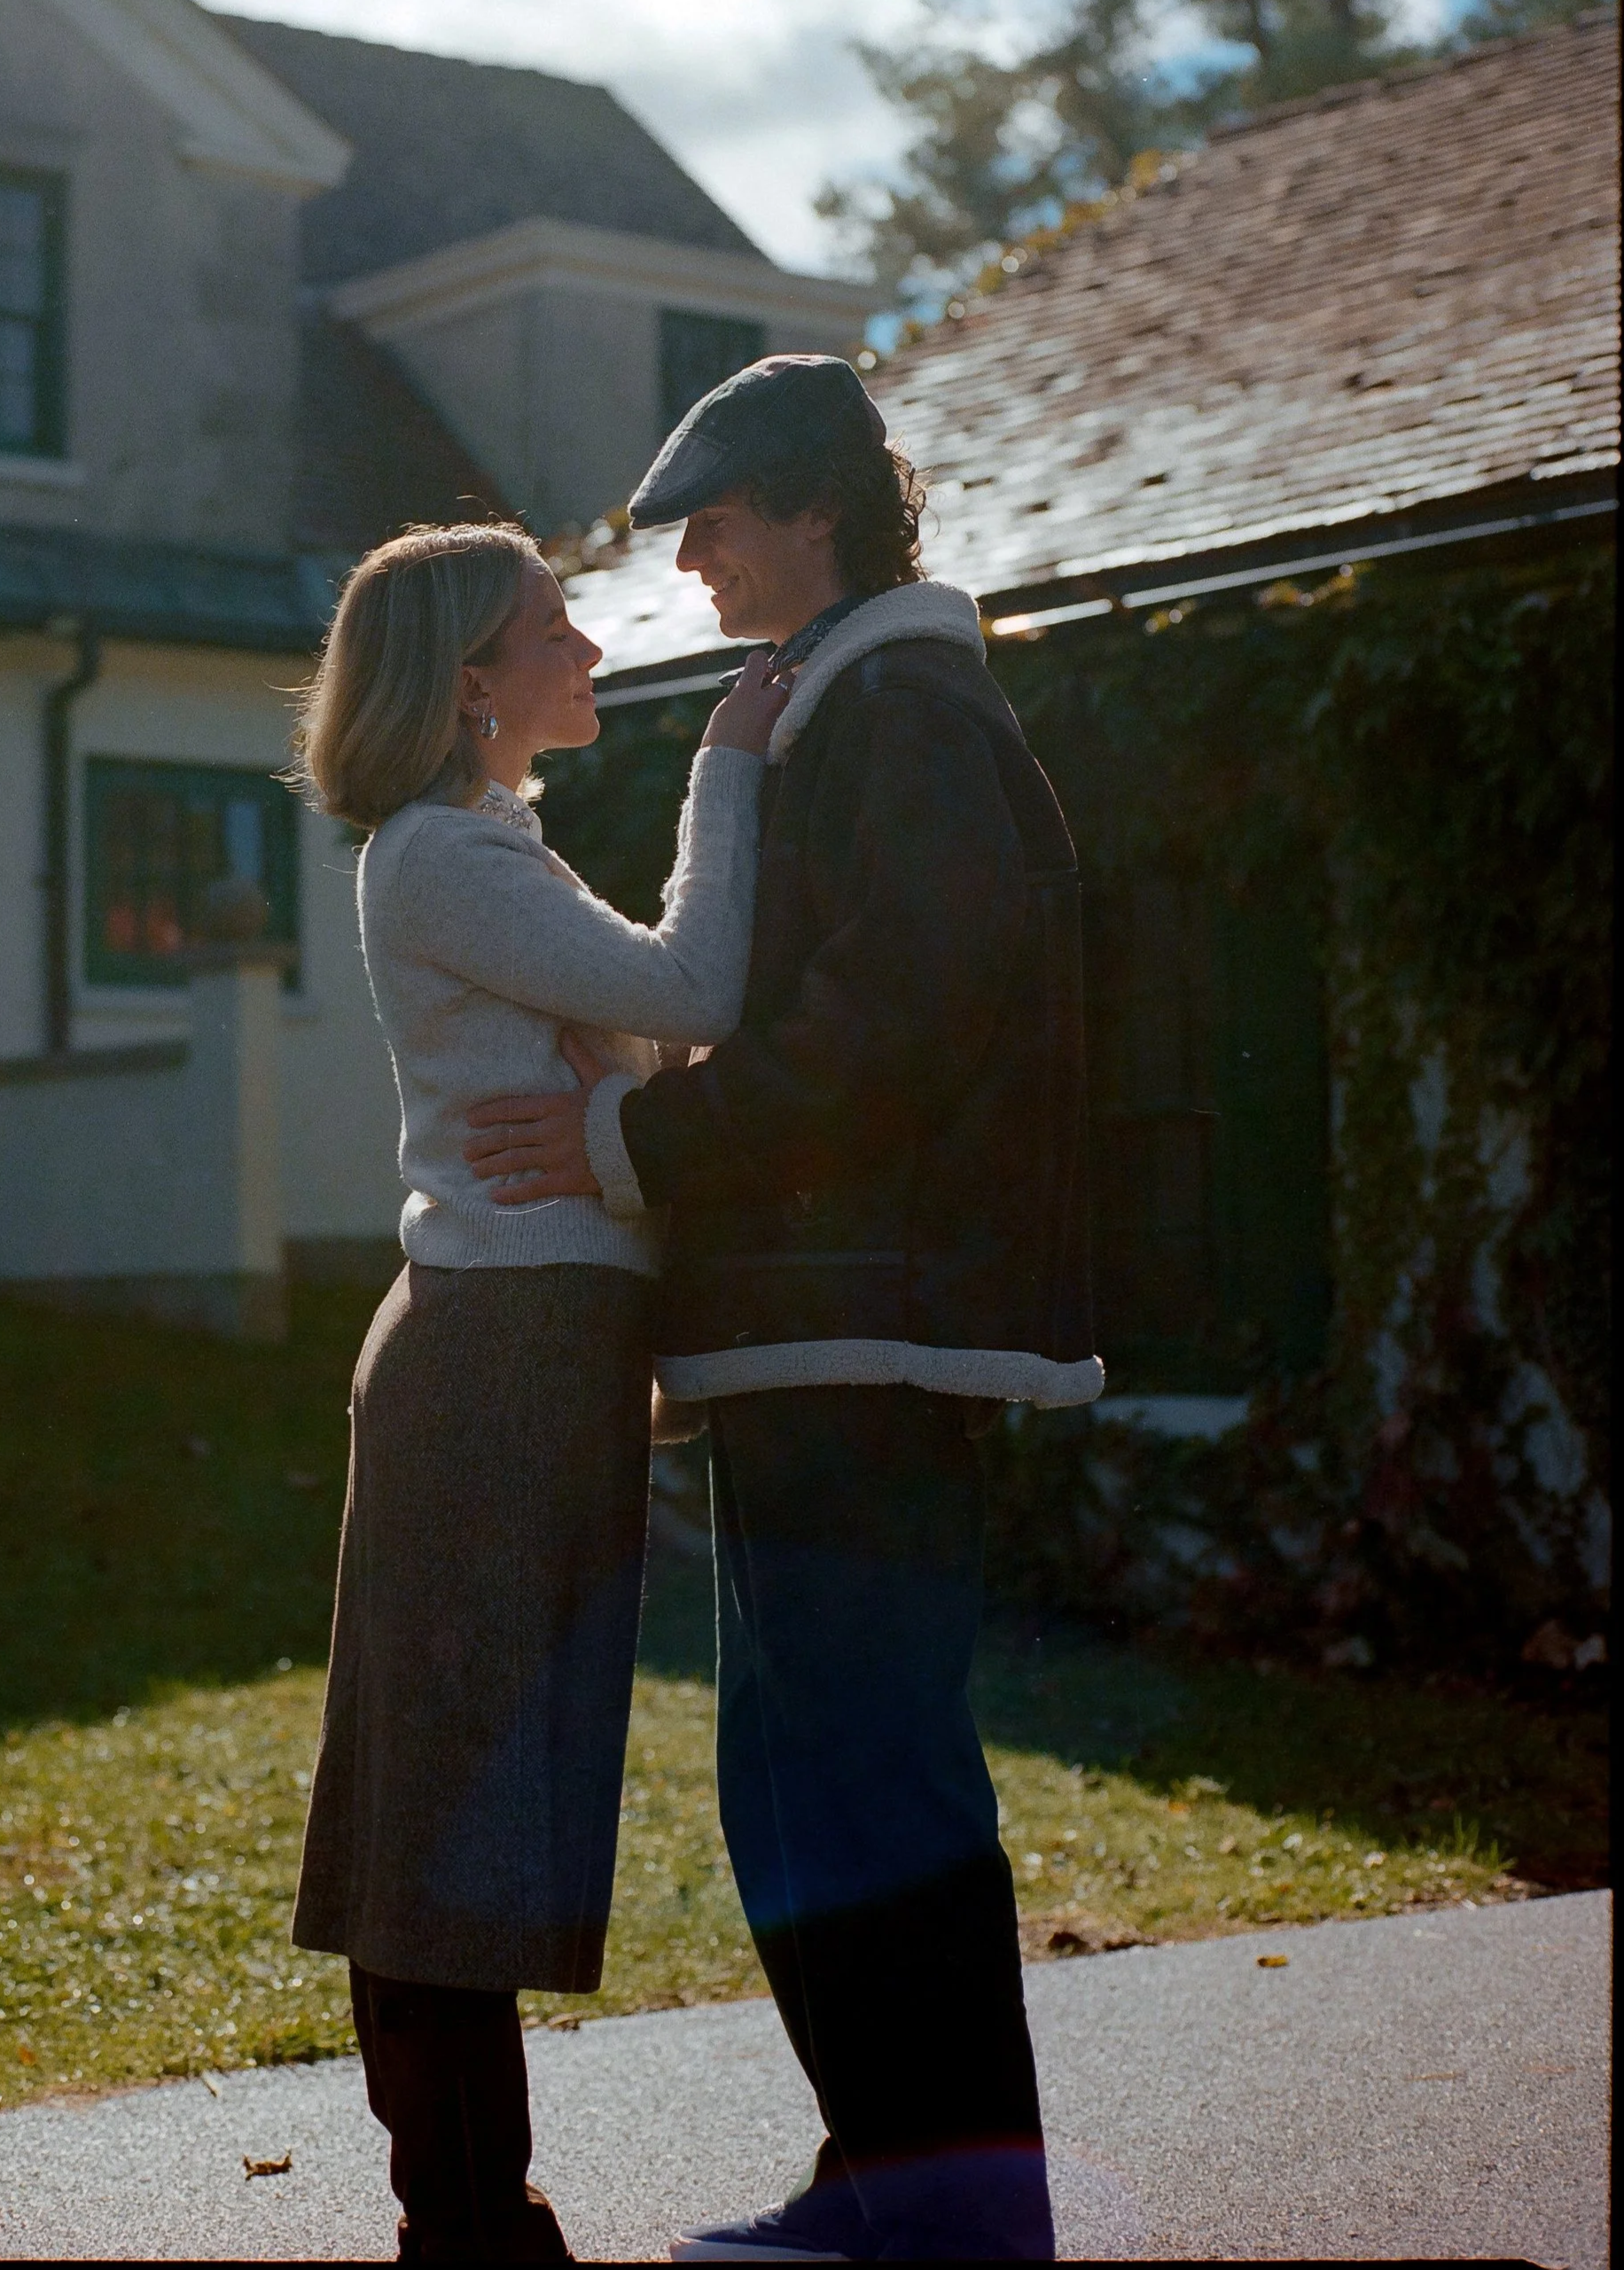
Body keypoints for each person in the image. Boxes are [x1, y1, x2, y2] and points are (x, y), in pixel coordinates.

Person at [463, 358, 1102, 2264]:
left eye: (713, 517)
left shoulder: (900, 706)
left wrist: (625, 1137)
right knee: (811, 1780)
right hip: (816, 1334)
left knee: (862, 1781)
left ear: (815, 508)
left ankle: (948, 2221)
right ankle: (889, 2192)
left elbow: (889, 1021)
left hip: (861, 1335)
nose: (684, 555)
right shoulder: (848, 702)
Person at [286, 516, 789, 2264]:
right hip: (490, 1363)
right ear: (472, 679)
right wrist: (722, 777)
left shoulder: (489, 846)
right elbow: (694, 991)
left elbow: (655, 1032)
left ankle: (475, 2215)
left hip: (532, 1358)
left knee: (483, 1791)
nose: (589, 645)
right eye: (550, 626)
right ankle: (466, 2224)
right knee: (442, 1800)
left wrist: (619, 1055)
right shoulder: (439, 854)